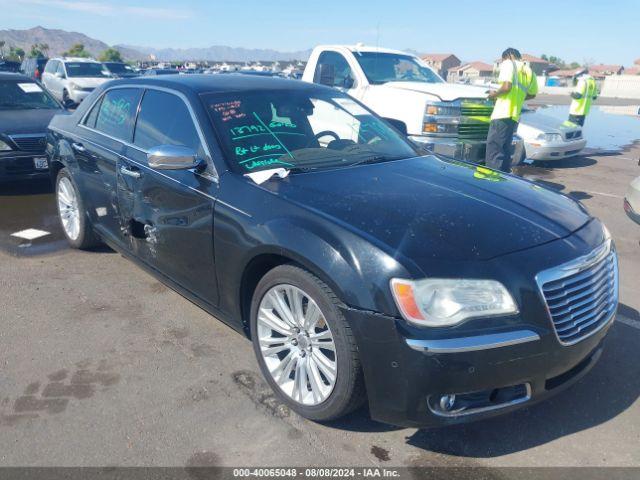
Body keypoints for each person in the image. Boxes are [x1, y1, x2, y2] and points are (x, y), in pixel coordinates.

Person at [485, 48, 538, 172]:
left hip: (502, 113)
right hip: (514, 115)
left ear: (508, 56)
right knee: (505, 149)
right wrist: (518, 97)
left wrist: (494, 95)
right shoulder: (529, 71)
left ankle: (492, 178)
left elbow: (506, 87)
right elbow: (532, 94)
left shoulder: (509, 64)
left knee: (495, 148)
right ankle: (504, 177)